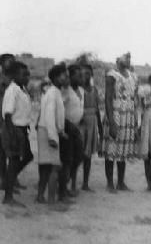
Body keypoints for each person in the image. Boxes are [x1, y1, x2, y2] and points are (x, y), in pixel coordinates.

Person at [102, 52, 138, 193]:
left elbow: (134, 99)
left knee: (123, 151)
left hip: (128, 116)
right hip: (116, 114)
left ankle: (121, 183)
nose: (129, 59)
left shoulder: (133, 76)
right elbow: (108, 98)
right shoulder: (112, 75)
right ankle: (110, 183)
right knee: (111, 150)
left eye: (130, 57)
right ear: (117, 59)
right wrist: (111, 122)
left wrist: (134, 121)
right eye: (126, 56)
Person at [1, 61, 34, 206]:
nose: (27, 77)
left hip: (21, 129)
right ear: (14, 75)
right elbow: (7, 114)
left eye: (28, 75)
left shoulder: (23, 90)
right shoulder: (12, 90)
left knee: (28, 156)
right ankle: (8, 197)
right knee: (14, 161)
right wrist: (12, 134)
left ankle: (9, 180)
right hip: (13, 129)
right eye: (23, 74)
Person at [36, 64, 67, 207]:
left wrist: (61, 131)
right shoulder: (52, 93)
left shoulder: (54, 92)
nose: (66, 78)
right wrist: (53, 137)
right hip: (48, 132)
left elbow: (56, 116)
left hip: (48, 130)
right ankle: (51, 201)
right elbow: (49, 117)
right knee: (55, 167)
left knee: (45, 167)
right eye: (63, 76)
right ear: (55, 78)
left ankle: (40, 196)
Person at [60, 64, 84, 199]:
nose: (81, 78)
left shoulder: (80, 90)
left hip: (76, 129)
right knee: (67, 160)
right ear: (71, 76)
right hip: (66, 129)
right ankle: (62, 190)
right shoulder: (66, 91)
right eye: (78, 75)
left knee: (78, 157)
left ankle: (65, 184)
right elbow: (60, 109)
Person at [79, 64, 102, 191]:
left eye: (87, 73)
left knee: (88, 155)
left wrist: (100, 126)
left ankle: (85, 183)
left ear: (91, 75)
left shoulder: (94, 90)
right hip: (81, 123)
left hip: (92, 122)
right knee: (78, 153)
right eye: (82, 74)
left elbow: (97, 109)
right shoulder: (77, 90)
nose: (85, 76)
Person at [0, 53, 16, 191]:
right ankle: (3, 179)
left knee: (13, 149)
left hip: (13, 119)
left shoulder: (15, 79)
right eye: (8, 61)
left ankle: (12, 179)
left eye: (13, 61)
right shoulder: (1, 80)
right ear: (2, 64)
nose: (11, 63)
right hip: (2, 119)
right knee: (2, 151)